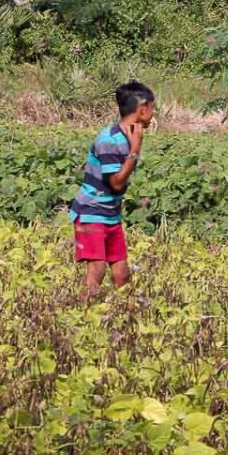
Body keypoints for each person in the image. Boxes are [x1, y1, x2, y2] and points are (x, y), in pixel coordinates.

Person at [69, 80, 155, 302]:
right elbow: (115, 183)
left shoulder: (128, 136)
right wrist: (135, 150)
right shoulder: (110, 140)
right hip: (91, 212)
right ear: (142, 109)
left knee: (122, 273)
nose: (153, 114)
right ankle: (83, 316)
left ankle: (125, 317)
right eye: (153, 108)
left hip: (110, 214)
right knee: (97, 270)